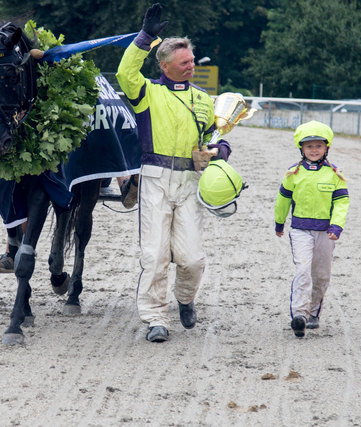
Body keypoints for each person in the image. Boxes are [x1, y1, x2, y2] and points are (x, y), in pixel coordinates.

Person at [116, 3, 232, 342]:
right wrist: (145, 36)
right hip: (154, 179)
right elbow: (125, 73)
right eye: (185, 62)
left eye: (193, 60)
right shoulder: (146, 93)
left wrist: (218, 151)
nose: (192, 66)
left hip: (190, 182)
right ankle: (156, 319)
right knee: (154, 255)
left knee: (192, 258)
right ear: (165, 65)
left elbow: (216, 137)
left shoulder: (202, 99)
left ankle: (185, 298)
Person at [274, 120, 349, 337]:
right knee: (303, 269)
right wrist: (279, 222)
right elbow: (283, 200)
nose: (314, 150)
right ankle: (299, 315)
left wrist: (337, 226)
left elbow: (342, 203)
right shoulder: (293, 174)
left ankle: (314, 311)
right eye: (309, 146)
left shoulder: (335, 175)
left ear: (327, 148)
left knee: (321, 274)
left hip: (326, 233)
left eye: (318, 146)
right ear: (301, 149)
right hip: (300, 230)